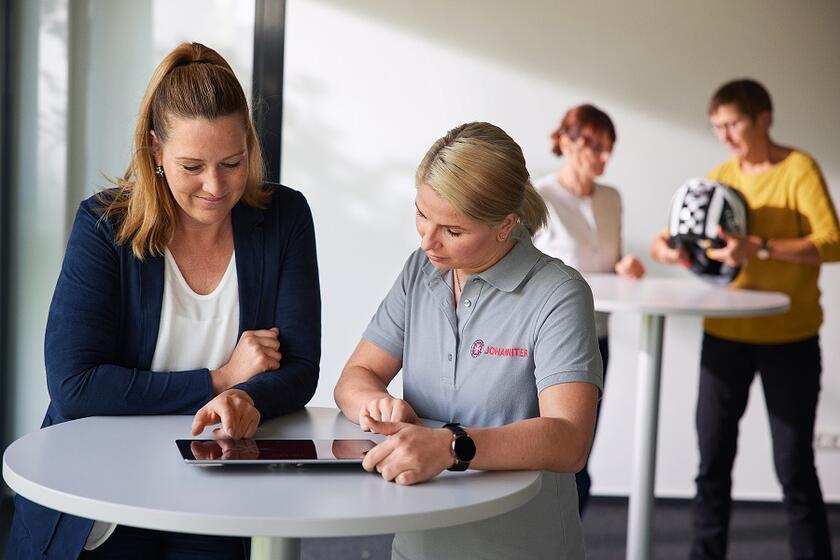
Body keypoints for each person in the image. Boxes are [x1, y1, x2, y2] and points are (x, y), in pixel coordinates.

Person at [6, 42, 321, 560]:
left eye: (232, 162)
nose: (215, 186)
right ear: (155, 150)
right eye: (192, 166)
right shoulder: (105, 226)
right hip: (100, 502)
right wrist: (220, 379)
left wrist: (248, 399)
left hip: (213, 494)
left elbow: (301, 367)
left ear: (249, 144)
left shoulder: (284, 218)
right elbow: (75, 386)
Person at [334, 122, 603, 559]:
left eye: (453, 231)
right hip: (418, 541)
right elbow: (355, 377)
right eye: (422, 214)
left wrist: (451, 446)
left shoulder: (558, 293)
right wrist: (375, 403)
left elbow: (569, 440)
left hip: (521, 548)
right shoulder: (420, 272)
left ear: (505, 225)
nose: (427, 241)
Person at [651, 79, 839, 560]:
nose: (725, 136)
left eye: (733, 124)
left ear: (763, 118)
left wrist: (761, 247)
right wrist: (669, 250)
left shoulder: (798, 169)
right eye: (717, 126)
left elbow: (833, 243)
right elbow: (678, 240)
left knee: (794, 467)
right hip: (724, 336)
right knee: (711, 464)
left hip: (790, 338)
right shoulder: (720, 176)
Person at [532, 103, 645, 514]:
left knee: (579, 450)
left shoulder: (611, 198)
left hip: (598, 335)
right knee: (543, 445)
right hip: (550, 340)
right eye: (594, 145)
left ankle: (567, 534)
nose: (604, 155)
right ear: (566, 141)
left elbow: (608, 259)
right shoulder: (539, 197)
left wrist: (624, 265)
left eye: (608, 147)